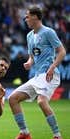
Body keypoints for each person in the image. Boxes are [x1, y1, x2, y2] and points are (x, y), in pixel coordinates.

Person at [8, 5, 66, 139]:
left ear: (35, 17)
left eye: (27, 16)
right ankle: (25, 133)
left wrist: (52, 66)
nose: (25, 19)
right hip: (37, 76)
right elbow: (32, 55)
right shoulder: (29, 35)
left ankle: (57, 135)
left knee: (41, 102)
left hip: (49, 74)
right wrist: (29, 62)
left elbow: (62, 51)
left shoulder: (48, 32)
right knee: (13, 99)